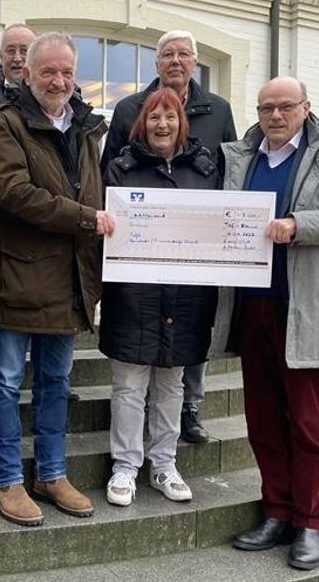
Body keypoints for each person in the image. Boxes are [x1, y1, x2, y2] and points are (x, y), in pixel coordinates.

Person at [211, 76, 319, 570]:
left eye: (285, 106)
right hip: (254, 306)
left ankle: (310, 522)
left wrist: (301, 225)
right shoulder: (241, 156)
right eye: (266, 107)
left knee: (307, 424)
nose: (274, 115)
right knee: (263, 421)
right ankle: (276, 511)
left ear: (306, 107)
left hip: (306, 308)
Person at [0, 31, 112, 527]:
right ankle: (7, 479)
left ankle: (52, 473)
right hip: (17, 273)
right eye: (48, 71)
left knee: (56, 381)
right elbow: (12, 192)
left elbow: (99, 194)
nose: (58, 81)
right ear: (27, 74)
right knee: (6, 382)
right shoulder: (4, 123)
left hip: (70, 278)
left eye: (66, 72)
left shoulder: (87, 128)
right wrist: (85, 219)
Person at [102, 30, 237, 444]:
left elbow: (231, 170)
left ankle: (190, 410)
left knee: (189, 334)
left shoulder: (217, 108)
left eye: (183, 54)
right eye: (167, 55)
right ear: (157, 63)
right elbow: (112, 173)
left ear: (194, 61)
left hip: (196, 247)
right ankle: (140, 421)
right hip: (143, 248)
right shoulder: (129, 108)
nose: (175, 61)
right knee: (142, 341)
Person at [100, 87, 221, 508]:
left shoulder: (206, 169)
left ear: (182, 122)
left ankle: (164, 463)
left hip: (186, 295)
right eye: (154, 117)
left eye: (170, 117)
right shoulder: (121, 168)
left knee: (172, 383)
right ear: (142, 123)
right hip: (134, 293)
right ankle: (125, 466)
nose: (163, 124)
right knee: (129, 383)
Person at [0, 24, 80, 403]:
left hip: (59, 251)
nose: (15, 56)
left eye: (22, 49)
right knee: (6, 369)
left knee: (52, 375)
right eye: (10, 49)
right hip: (8, 237)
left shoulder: (80, 120)